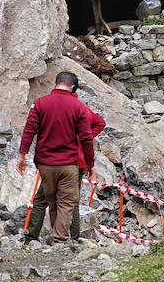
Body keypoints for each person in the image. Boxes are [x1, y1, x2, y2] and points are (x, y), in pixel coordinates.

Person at [17, 69, 97, 244]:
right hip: (68, 163)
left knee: (51, 201)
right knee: (67, 203)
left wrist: (22, 154)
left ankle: (43, 238)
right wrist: (90, 163)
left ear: (56, 83)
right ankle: (60, 240)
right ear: (73, 87)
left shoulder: (40, 103)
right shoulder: (79, 107)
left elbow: (29, 130)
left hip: (45, 164)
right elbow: (86, 138)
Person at [25, 97, 105, 241]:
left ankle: (33, 235)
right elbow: (100, 123)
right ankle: (72, 236)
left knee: (42, 199)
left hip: (59, 161)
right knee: (71, 201)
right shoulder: (81, 108)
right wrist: (83, 138)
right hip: (76, 162)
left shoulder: (59, 109)